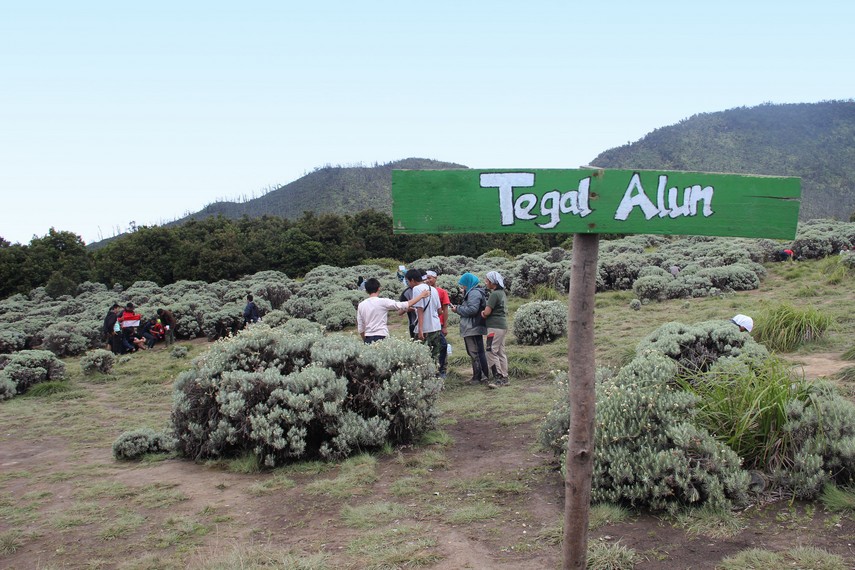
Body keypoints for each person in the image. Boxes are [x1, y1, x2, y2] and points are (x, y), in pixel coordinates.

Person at [357, 278, 429, 344]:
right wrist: (421, 296)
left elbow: (360, 328)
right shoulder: (383, 302)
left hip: (368, 337)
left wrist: (365, 340)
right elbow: (405, 304)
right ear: (379, 288)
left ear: (366, 290)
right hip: (382, 336)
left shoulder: (361, 305)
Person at [451, 272, 489, 385]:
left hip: (472, 327)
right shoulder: (475, 292)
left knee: (475, 352)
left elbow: (472, 310)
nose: (463, 287)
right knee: (477, 351)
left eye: (464, 285)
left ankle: (479, 377)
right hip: (474, 326)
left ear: (468, 283)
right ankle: (481, 376)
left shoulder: (473, 293)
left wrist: (457, 309)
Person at [405, 269, 444, 367]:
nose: (408, 284)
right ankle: (436, 376)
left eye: (408, 281)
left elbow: (420, 310)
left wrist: (420, 330)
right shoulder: (433, 289)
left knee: (421, 357)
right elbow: (440, 310)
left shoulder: (416, 289)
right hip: (436, 327)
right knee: (435, 355)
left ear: (413, 280)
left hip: (425, 328)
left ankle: (425, 378)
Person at [481, 271, 509, 388]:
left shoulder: (494, 295)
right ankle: (505, 377)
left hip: (494, 327)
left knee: (490, 350)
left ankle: (498, 378)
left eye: (487, 280)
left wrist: (482, 313)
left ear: (493, 282)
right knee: (500, 351)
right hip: (502, 326)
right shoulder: (502, 293)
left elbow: (487, 312)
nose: (486, 282)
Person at [425, 270, 451, 378]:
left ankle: (442, 369)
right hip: (427, 325)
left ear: (436, 278)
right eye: (426, 278)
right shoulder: (423, 292)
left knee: (442, 346)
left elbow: (445, 310)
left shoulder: (441, 292)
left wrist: (444, 326)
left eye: (430, 277)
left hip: (438, 324)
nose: (428, 280)